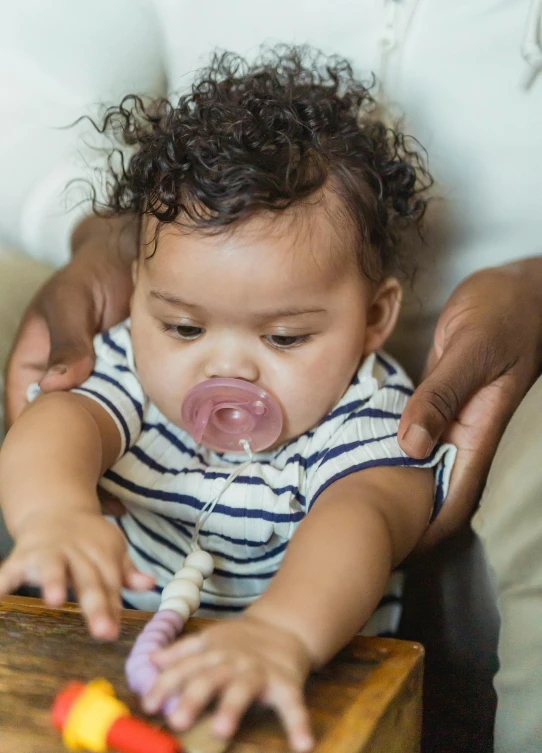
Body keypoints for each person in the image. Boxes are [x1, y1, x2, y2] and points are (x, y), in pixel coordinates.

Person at [0, 3, 541, 752]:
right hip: (112, 650)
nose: (226, 365)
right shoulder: (136, 361)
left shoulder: (365, 410)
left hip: (297, 673)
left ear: (374, 318)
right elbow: (56, 422)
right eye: (185, 325)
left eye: (285, 335)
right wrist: (53, 513)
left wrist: (280, 634)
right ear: (139, 286)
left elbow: (362, 520)